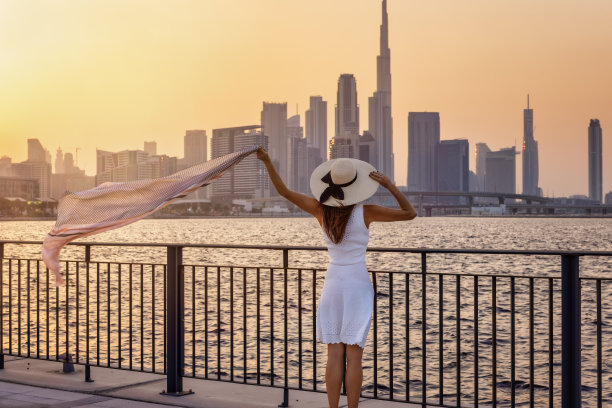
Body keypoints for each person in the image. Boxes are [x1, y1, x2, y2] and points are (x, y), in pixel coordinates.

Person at [256, 147, 417, 408]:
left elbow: (283, 191)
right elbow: (410, 213)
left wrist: (266, 161)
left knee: (333, 353)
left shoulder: (320, 210)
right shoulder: (367, 212)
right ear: (358, 187)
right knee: (354, 356)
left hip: (333, 284)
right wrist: (390, 185)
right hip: (357, 285)